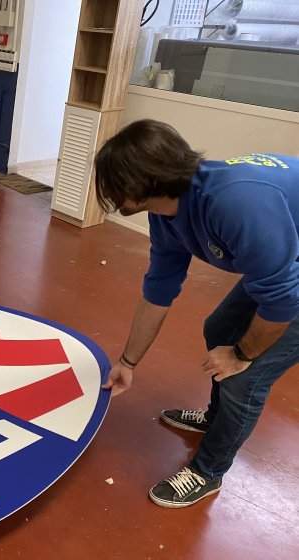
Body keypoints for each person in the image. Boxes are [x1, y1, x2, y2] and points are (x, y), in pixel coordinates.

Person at [94, 119, 299, 508]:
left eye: (115, 183)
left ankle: (209, 472)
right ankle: (215, 418)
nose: (109, 192)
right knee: (220, 327)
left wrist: (241, 356)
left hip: (289, 270)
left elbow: (283, 304)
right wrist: (128, 361)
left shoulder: (234, 204)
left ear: (145, 182)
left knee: (246, 378)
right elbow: (159, 291)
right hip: (285, 253)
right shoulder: (166, 212)